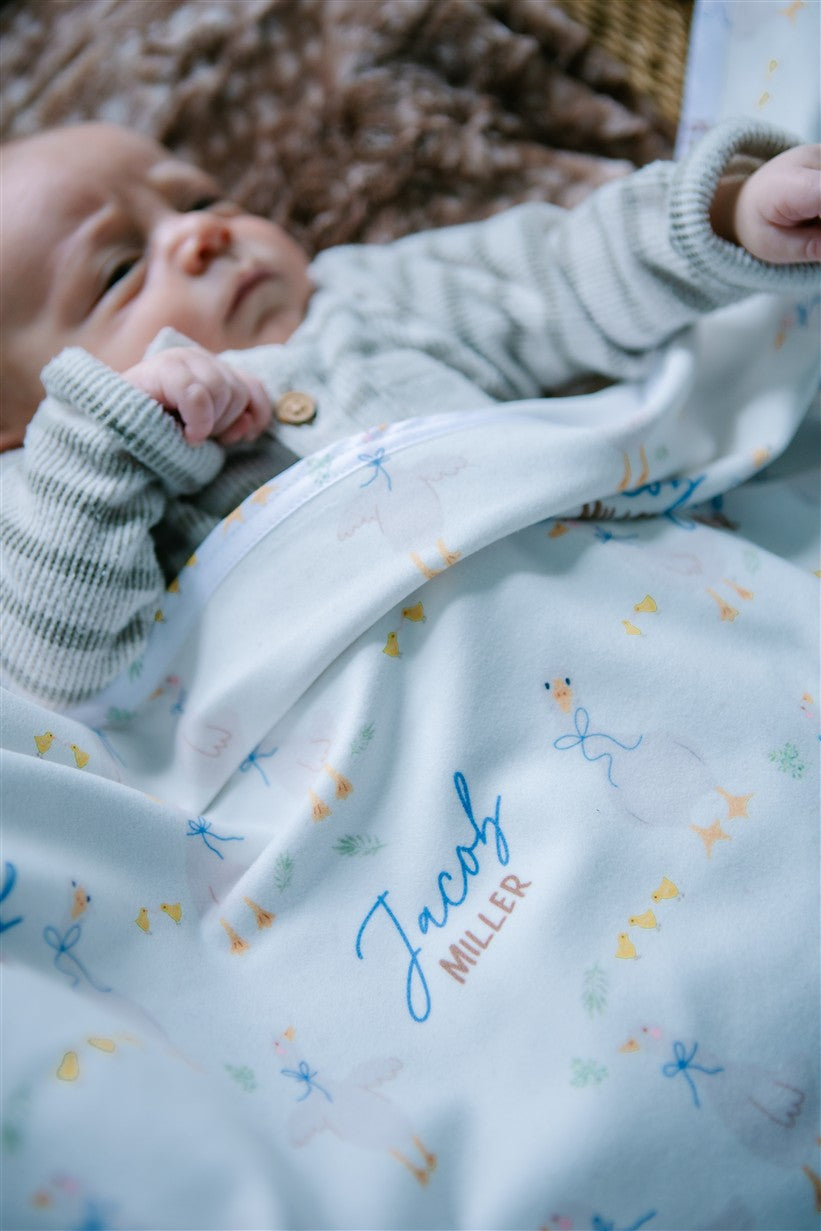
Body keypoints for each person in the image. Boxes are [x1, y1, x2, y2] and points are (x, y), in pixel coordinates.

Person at [0, 121, 819, 707]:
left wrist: (723, 215)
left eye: (201, 197)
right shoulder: (60, 500)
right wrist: (105, 430)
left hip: (648, 621)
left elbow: (559, 275)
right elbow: (64, 670)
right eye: (116, 272)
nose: (199, 233)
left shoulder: (365, 298)